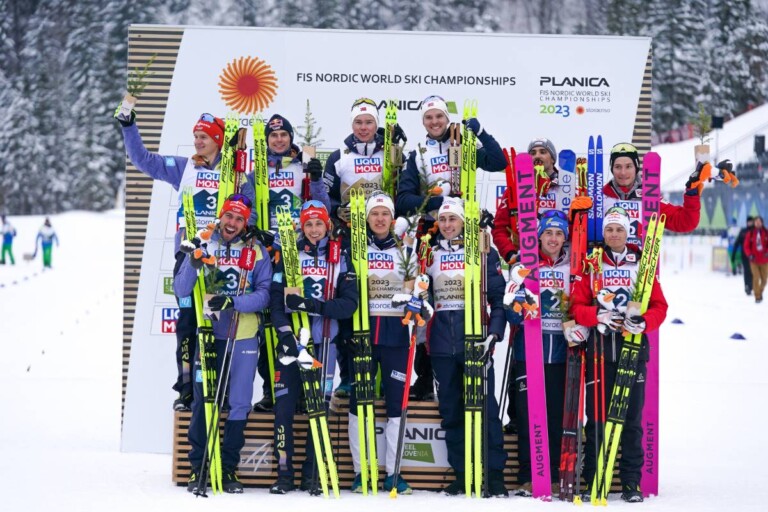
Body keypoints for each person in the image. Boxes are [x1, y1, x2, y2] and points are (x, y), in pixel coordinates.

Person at [116, 107, 243, 411]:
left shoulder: (236, 174)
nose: (197, 141)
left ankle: (219, 387)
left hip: (221, 260)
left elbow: (248, 210)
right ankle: (186, 388)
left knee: (218, 322)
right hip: (187, 257)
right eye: (196, 136)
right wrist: (129, 126)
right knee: (187, 322)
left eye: (204, 137)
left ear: (218, 140)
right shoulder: (184, 167)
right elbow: (143, 160)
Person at [397, 95, 507, 401]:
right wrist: (439, 201)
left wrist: (481, 133)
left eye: (439, 116)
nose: (435, 122)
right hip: (433, 234)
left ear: (447, 118)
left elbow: (499, 162)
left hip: (467, 231)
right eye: (429, 117)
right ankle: (425, 376)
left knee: (468, 293)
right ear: (423, 122)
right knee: (428, 302)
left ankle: (471, 355)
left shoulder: (464, 144)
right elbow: (403, 200)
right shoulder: (418, 155)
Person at [172, 194, 272, 494]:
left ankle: (228, 467)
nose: (232, 223)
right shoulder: (204, 242)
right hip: (209, 334)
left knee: (240, 402)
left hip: (244, 335)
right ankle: (198, 465)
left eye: (239, 219)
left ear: (246, 223)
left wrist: (234, 302)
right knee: (204, 399)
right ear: (221, 216)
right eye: (229, 216)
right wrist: (192, 262)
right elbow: (181, 289)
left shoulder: (256, 250)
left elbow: (265, 294)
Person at [569, 206, 668, 503]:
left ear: (628, 233)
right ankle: (594, 479)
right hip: (600, 351)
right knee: (597, 420)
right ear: (604, 233)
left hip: (632, 350)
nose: (614, 234)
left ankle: (630, 482)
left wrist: (645, 322)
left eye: (619, 229)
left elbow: (660, 306)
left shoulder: (641, 265)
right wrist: (596, 316)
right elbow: (576, 307)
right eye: (610, 229)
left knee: (631, 420)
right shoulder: (592, 264)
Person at [268, 200, 358, 494]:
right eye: (309, 224)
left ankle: (312, 475)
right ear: (302, 227)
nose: (314, 229)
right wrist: (285, 335)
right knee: (284, 409)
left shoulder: (340, 256)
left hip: (324, 345)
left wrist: (314, 306)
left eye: (319, 223)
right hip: (293, 344)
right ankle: (284, 474)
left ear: (327, 225)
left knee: (318, 410)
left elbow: (349, 304)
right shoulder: (289, 254)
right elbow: (276, 301)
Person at [424, 197, 509, 497]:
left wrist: (494, 334)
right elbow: (423, 294)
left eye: (453, 219)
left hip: (475, 341)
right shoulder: (429, 253)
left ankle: (494, 474)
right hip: (441, 345)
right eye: (443, 219)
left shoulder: (483, 251)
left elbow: (498, 298)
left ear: (463, 222)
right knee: (451, 410)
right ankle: (462, 473)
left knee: (486, 409)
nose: (447, 225)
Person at [247, 113, 330, 414]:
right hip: (270, 251)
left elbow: (323, 207)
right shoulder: (257, 173)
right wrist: (253, 230)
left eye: (284, 135)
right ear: (267, 140)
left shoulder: (302, 167)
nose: (279, 140)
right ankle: (273, 389)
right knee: (271, 322)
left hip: (300, 249)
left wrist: (316, 179)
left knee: (302, 318)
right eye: (273, 136)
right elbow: (250, 208)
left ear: (291, 138)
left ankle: (306, 388)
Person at [346, 193, 423, 494]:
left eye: (384, 214)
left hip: (395, 336)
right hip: (362, 334)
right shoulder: (357, 249)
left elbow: (418, 290)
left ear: (392, 219)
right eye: (374, 213)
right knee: (359, 404)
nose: (379, 219)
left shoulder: (406, 251)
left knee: (396, 406)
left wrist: (418, 302)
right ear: (366, 218)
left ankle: (394, 473)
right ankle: (360, 472)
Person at [508, 210, 571, 496]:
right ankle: (528, 475)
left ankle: (554, 475)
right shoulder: (524, 265)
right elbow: (509, 309)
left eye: (558, 234)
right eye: (548, 233)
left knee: (556, 416)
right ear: (539, 236)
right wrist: (518, 303)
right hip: (528, 351)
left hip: (560, 354)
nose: (553, 239)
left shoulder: (573, 265)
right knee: (527, 415)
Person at [602, 142, 700, 246]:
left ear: (636, 167)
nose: (623, 172)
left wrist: (692, 192)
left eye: (628, 166)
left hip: (642, 256)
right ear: (612, 169)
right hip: (607, 256)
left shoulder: (649, 196)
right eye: (618, 167)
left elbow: (686, 222)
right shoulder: (602, 198)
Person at [743, 215, 768, 304]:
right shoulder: (750, 234)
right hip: (754, 260)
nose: (758, 223)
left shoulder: (766, 233)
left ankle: (759, 292)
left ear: (762, 223)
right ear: (754, 223)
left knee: (764, 280)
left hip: (764, 260)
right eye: (756, 222)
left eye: (759, 222)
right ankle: (757, 296)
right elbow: (746, 246)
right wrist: (749, 254)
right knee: (756, 277)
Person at [734, 216, 755, 295]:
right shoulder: (743, 231)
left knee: (753, 271)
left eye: (751, 222)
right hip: (745, 255)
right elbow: (737, 242)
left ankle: (752, 285)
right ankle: (747, 286)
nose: (750, 223)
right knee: (746, 271)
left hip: (754, 256)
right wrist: (734, 253)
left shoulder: (756, 231)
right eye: (748, 222)